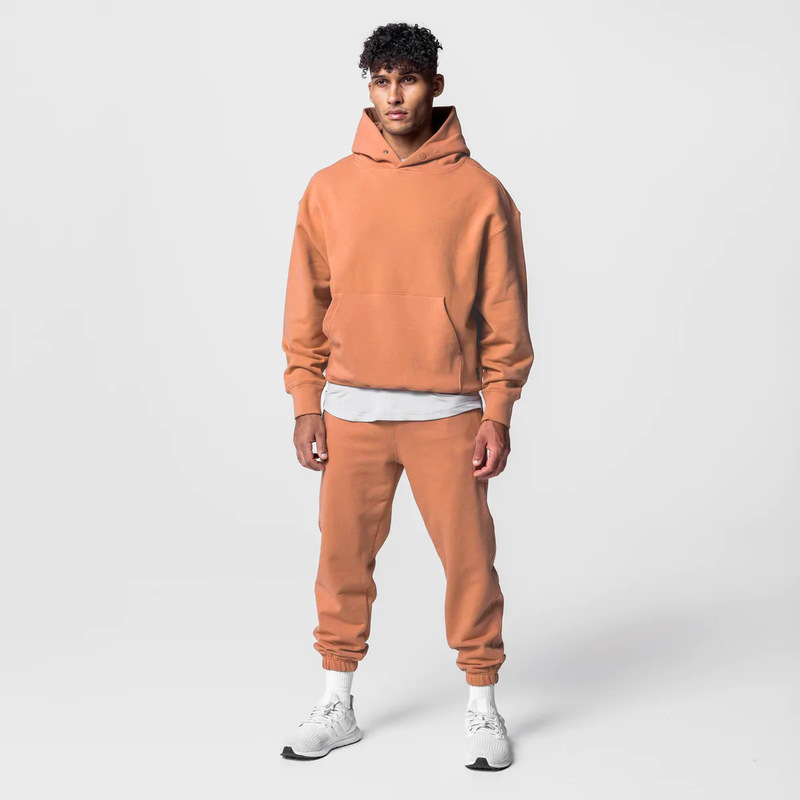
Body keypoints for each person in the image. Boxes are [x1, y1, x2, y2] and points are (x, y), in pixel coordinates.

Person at [279, 22, 534, 771]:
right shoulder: (328, 188)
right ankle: (337, 702)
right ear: (369, 87)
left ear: (435, 86)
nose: (394, 95)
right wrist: (305, 400)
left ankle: (483, 705)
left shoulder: (481, 192)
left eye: (409, 79)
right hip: (350, 412)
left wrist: (497, 411)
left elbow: (506, 315)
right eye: (381, 80)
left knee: (470, 564)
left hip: (446, 416)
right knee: (341, 562)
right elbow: (306, 304)